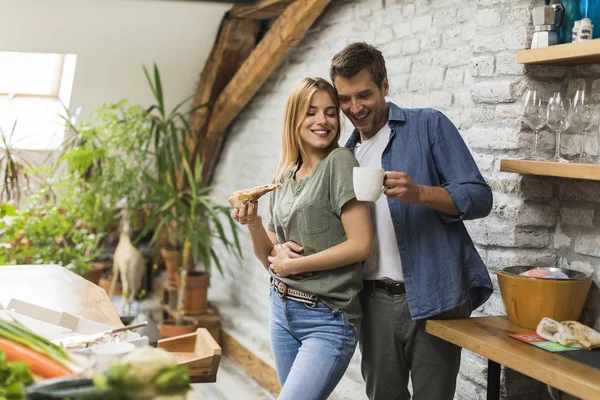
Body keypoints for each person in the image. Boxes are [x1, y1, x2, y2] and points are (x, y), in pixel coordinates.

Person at [328, 42, 494, 400]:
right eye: (344, 99)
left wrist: (420, 193)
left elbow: (480, 197)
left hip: (435, 296)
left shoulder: (428, 125)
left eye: (364, 95)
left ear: (385, 85)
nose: (354, 108)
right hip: (373, 303)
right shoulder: (344, 155)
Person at [230, 77, 373, 400]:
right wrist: (254, 224)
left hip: (327, 319)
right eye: (311, 112)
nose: (322, 121)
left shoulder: (340, 163)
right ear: (294, 118)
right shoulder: (285, 174)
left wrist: (297, 265)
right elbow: (271, 256)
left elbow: (362, 244)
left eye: (330, 112)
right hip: (281, 309)